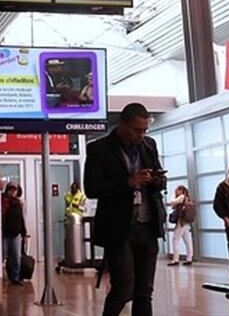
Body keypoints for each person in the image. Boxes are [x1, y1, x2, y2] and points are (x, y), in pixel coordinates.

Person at [84, 103, 166, 316]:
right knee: (123, 289)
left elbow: (160, 183)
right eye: (137, 129)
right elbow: (92, 188)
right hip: (119, 228)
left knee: (144, 291)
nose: (141, 134)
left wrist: (157, 179)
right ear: (122, 124)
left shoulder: (149, 145)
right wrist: (128, 182)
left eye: (145, 130)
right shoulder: (98, 149)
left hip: (147, 226)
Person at [2, 183, 27, 286]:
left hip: (16, 234)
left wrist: (24, 233)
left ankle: (15, 278)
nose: (12, 192)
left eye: (14, 190)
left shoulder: (18, 203)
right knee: (2, 255)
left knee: (16, 257)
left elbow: (21, 219)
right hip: (5, 234)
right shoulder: (3, 202)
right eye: (10, 189)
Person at [168, 185, 194, 266]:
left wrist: (174, 195)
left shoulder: (182, 197)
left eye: (177, 190)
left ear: (181, 191)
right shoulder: (187, 198)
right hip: (186, 222)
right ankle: (189, 258)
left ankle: (175, 259)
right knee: (188, 241)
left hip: (181, 222)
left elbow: (172, 202)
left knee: (175, 240)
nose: (175, 191)